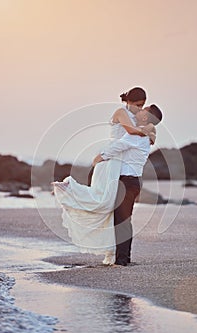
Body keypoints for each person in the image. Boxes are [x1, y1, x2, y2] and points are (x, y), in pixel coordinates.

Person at [53, 106, 162, 265]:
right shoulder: (144, 134)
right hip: (131, 181)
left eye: (142, 110)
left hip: (127, 181)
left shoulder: (138, 136)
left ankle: (122, 260)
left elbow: (118, 146)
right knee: (121, 219)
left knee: (121, 221)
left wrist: (100, 157)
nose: (138, 111)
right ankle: (123, 258)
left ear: (145, 117)